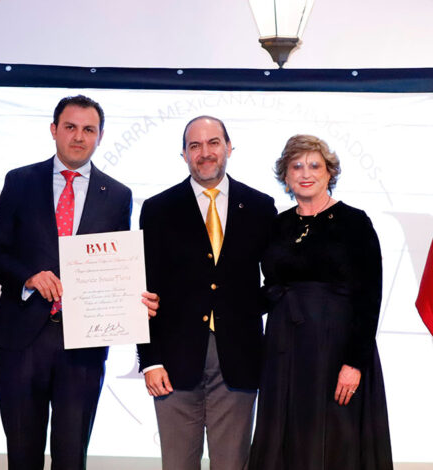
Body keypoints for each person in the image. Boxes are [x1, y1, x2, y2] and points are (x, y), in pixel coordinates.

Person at [0, 95, 158, 470]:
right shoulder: (20, 181)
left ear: (100, 136)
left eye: (88, 129)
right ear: (54, 130)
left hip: (85, 344)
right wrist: (28, 277)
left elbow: (118, 265)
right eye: (70, 127)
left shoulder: (117, 195)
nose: (79, 137)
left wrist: (133, 297)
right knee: (22, 455)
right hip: (22, 339)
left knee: (71, 456)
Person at [138, 115, 277, 469]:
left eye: (213, 143)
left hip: (240, 359)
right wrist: (150, 360)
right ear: (183, 154)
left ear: (229, 147)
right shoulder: (158, 209)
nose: (205, 152)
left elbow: (277, 281)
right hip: (172, 362)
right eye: (195, 145)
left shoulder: (261, 207)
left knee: (232, 464)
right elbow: (143, 290)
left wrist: (246, 309)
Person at [247, 134, 393, 469]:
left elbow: (369, 297)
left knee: (336, 443)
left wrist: (354, 364)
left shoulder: (355, 222)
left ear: (330, 173)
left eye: (315, 165)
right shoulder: (278, 225)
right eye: (296, 166)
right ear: (285, 176)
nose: (305, 173)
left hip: (336, 352)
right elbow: (271, 287)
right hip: (284, 351)